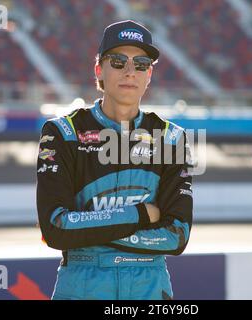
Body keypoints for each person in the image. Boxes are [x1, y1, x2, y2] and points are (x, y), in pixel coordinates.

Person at [36, 20, 193, 300]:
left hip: (150, 286)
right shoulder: (62, 132)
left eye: (141, 63)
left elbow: (177, 236)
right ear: (99, 69)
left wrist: (86, 231)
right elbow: (56, 230)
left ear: (150, 75)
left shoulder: (171, 137)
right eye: (118, 61)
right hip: (82, 285)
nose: (130, 71)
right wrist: (141, 215)